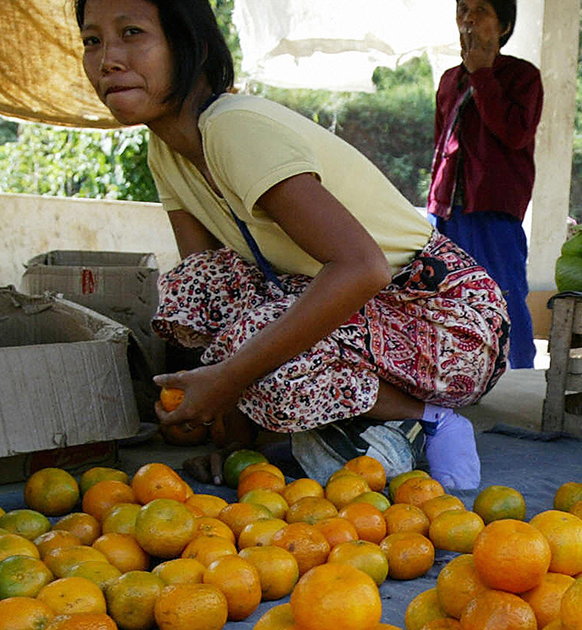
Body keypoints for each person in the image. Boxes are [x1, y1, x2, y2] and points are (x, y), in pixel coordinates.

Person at [78, 0, 508, 489]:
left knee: (252, 349)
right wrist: (232, 441)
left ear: (190, 46)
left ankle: (432, 418)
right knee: (192, 290)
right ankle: (320, 423)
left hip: (447, 321)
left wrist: (230, 378)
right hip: (364, 315)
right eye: (92, 40)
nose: (108, 58)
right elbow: (211, 286)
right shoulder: (166, 150)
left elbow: (364, 269)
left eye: (131, 32)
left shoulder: (233, 126)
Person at [429, 0, 543, 369]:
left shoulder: (522, 77)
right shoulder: (449, 79)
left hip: (493, 208)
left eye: (481, 10)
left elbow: (514, 133)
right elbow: (440, 143)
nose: (468, 18)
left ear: (505, 26)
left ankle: (520, 373)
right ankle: (456, 373)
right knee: (446, 295)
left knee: (503, 293)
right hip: (447, 209)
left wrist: (482, 74)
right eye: (462, 8)